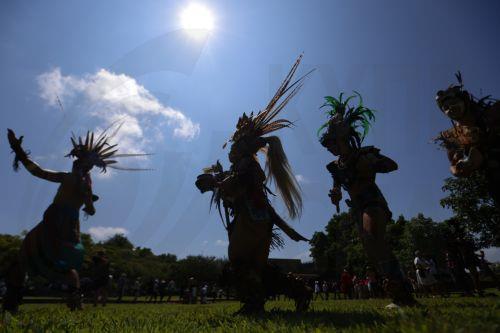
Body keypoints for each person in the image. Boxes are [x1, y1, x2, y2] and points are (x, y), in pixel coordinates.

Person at [195, 55, 312, 314]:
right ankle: (297, 291)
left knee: (239, 261)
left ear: (242, 146)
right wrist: (219, 181)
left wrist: (215, 181)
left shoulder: (246, 165)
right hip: (257, 218)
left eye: (235, 144)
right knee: (254, 265)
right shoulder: (246, 165)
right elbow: (237, 185)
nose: (231, 148)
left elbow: (238, 184)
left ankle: (254, 303)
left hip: (252, 218)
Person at [3, 129, 121, 312]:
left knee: (29, 258)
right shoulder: (84, 185)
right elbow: (91, 210)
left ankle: (15, 300)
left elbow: (39, 172)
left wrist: (18, 150)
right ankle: (73, 303)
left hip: (58, 224)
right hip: (65, 226)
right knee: (63, 265)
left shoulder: (74, 181)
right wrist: (87, 203)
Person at [317, 93, 416, 307]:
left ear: (344, 138)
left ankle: (404, 295)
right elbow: (336, 188)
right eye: (328, 145)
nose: (330, 148)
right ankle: (399, 294)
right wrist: (335, 195)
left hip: (372, 200)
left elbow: (392, 165)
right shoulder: (335, 166)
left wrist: (370, 163)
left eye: (333, 142)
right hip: (356, 207)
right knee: (372, 250)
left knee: (373, 238)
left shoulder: (364, 154)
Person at [434, 72, 500, 207]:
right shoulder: (453, 137)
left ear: (464, 100)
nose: (450, 109)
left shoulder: (492, 113)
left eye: (453, 103)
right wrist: (459, 169)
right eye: (445, 108)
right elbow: (454, 164)